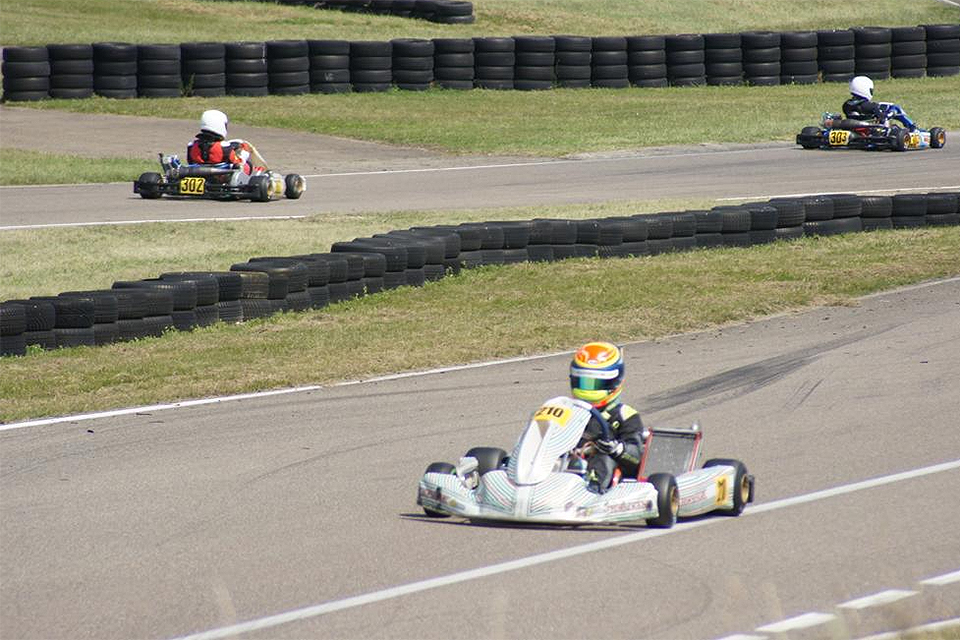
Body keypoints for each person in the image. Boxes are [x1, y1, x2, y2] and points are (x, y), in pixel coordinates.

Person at [569, 341, 647, 493]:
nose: (588, 389)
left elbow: (636, 456)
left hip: (607, 469)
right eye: (583, 382)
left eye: (596, 384)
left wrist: (615, 448)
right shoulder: (567, 410)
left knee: (603, 459)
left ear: (614, 382)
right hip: (569, 463)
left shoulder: (625, 415)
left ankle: (592, 491)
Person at [186, 109, 265, 174]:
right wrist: (244, 154)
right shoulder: (224, 147)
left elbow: (190, 162)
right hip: (221, 177)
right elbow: (237, 163)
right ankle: (259, 172)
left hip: (198, 173)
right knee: (248, 165)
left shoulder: (192, 145)